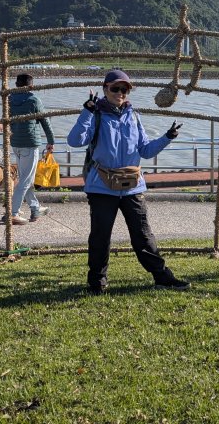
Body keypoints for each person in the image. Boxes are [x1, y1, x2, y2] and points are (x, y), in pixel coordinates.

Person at [67, 69, 189, 294]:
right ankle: (97, 283)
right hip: (101, 187)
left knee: (143, 236)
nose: (120, 93)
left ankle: (162, 277)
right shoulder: (95, 115)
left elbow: (145, 150)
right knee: (100, 238)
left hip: (133, 187)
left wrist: (167, 137)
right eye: (115, 88)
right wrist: (87, 111)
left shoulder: (134, 116)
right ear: (105, 89)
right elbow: (75, 141)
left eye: (124, 89)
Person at [5, 73, 55, 225]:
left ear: (16, 84)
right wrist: (51, 141)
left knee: (26, 178)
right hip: (30, 143)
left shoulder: (9, 99)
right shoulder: (34, 100)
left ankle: (35, 208)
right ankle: (12, 213)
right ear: (31, 86)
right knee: (25, 181)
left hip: (15, 143)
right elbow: (45, 121)